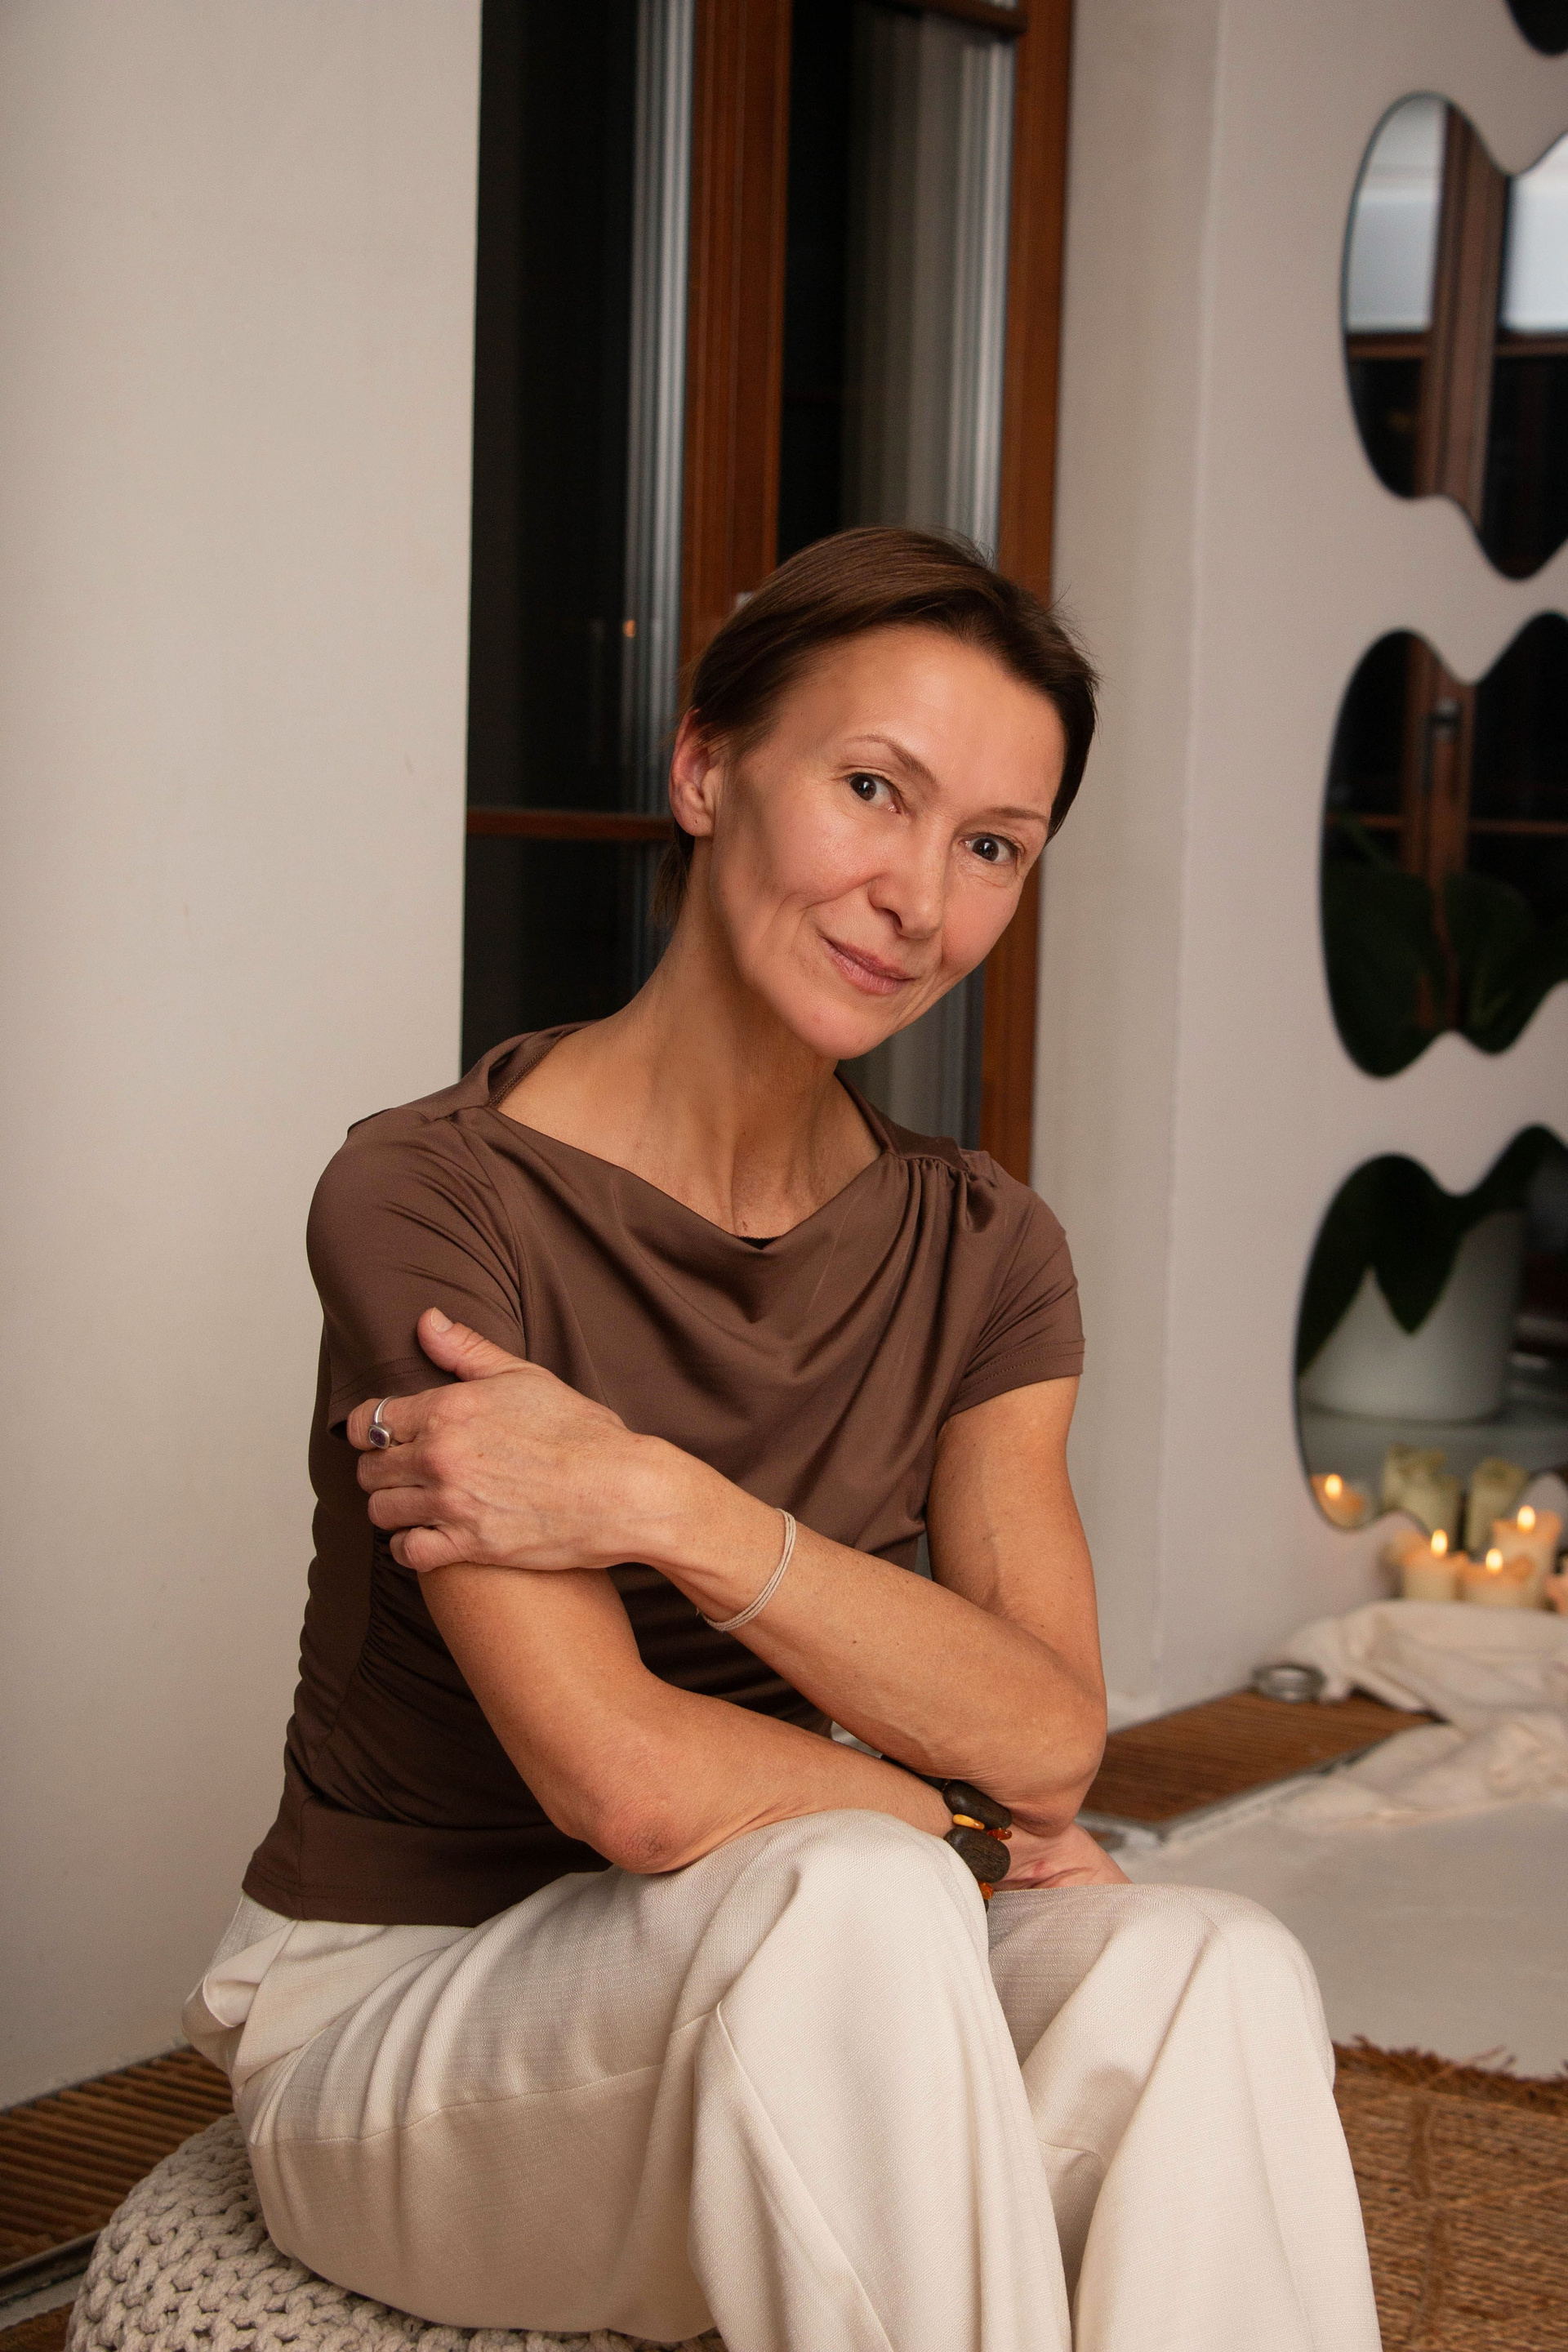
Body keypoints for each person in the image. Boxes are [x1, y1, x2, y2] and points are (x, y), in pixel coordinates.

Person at [186, 528, 1379, 2352]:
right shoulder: (430, 1198)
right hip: (404, 2020)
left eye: (993, 847)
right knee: (856, 1895)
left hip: (815, 1984)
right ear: (705, 768)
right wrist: (954, 1825)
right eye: (872, 791)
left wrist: (658, 1499)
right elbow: (625, 1781)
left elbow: (1051, 1739)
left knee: (1209, 1964)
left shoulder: (982, 1245)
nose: (919, 897)